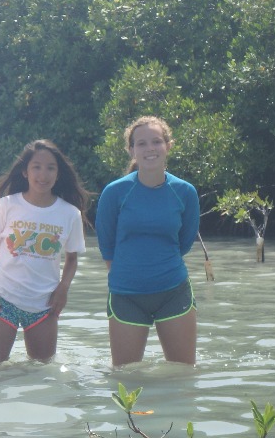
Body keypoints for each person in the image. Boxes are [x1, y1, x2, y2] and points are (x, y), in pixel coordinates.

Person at [95, 115, 200, 366]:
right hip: (126, 295)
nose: (149, 148)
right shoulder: (114, 192)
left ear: (168, 146)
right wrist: (130, 274)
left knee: (183, 374)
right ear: (131, 150)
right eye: (141, 143)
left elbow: (184, 242)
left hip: (173, 291)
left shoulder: (185, 192)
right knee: (125, 378)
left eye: (156, 141)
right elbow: (106, 245)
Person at [0, 139, 90, 364]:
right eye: (36, 167)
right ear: (25, 172)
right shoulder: (6, 205)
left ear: (58, 174)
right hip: (3, 298)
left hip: (45, 303)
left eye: (50, 168)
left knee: (43, 371)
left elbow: (72, 259)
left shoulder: (70, 213)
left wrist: (63, 289)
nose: (43, 175)